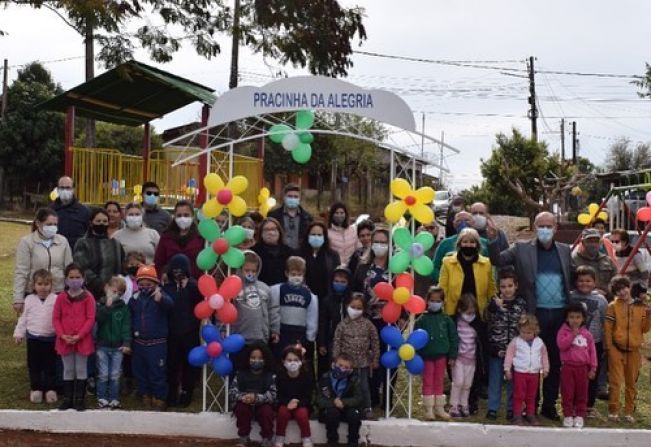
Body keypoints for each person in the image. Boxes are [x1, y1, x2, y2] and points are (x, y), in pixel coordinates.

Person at [487, 211, 573, 421]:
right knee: (530, 362)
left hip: (560, 313)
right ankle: (530, 406)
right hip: (534, 315)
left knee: (553, 362)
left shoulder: (564, 250)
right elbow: (497, 259)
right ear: (534, 228)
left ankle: (549, 405)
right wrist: (493, 238)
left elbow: (573, 274)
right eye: (541, 226)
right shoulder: (521, 248)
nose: (545, 229)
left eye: (549, 226)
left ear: (556, 228)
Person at [352, 227, 390, 409]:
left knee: (388, 357)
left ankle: (388, 398)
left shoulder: (396, 268)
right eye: (377, 242)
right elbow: (356, 292)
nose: (380, 245)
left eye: (384, 242)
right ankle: (372, 395)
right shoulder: (363, 267)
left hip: (390, 320)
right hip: (367, 319)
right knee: (369, 358)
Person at [604, 275, 651, 423]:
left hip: (634, 351)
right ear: (615, 293)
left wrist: (649, 315)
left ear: (629, 287)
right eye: (618, 290)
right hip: (617, 349)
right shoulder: (612, 306)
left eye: (624, 288)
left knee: (631, 383)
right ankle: (613, 411)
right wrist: (610, 348)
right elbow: (608, 329)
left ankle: (629, 411)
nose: (622, 292)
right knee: (615, 381)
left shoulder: (640, 306)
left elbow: (644, 329)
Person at [129, 265, 174, 411]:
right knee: (140, 371)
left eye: (148, 284)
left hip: (157, 343)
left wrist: (160, 299)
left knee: (157, 372)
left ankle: (159, 398)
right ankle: (145, 396)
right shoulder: (134, 298)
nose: (145, 287)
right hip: (139, 342)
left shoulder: (161, 296)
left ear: (155, 284)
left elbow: (170, 306)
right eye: (141, 284)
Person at [52, 263, 96, 411]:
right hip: (65, 340)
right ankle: (68, 399)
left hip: (82, 340)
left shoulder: (88, 297)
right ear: (66, 280)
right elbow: (56, 318)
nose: (74, 280)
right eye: (71, 277)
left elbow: (90, 318)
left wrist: (80, 335)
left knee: (81, 369)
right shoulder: (61, 298)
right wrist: (62, 335)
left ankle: (79, 399)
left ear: (83, 279)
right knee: (68, 369)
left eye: (78, 277)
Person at [13, 208, 72, 315]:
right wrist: (18, 298)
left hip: (57, 292)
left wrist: (71, 292)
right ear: (38, 223)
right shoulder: (26, 242)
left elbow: (69, 268)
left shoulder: (63, 241)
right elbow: (21, 271)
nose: (53, 228)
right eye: (49, 224)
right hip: (34, 292)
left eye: (55, 224)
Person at [485, 268, 526, 420]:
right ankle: (493, 408)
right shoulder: (494, 301)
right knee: (495, 380)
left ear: (516, 286)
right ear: (498, 287)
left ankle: (511, 408)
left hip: (515, 350)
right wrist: (494, 307)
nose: (506, 289)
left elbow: (524, 325)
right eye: (503, 286)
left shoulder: (521, 303)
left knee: (513, 381)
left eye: (510, 286)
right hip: (497, 349)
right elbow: (487, 318)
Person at [332, 293, 380, 420]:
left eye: (359, 308)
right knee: (347, 387)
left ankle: (367, 408)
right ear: (347, 306)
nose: (355, 310)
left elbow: (375, 341)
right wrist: (336, 358)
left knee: (364, 386)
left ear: (364, 309)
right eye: (353, 307)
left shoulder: (368, 324)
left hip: (363, 363)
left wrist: (375, 359)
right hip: (345, 365)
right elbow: (336, 341)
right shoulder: (342, 325)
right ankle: (348, 408)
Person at [163, 254, 203, 407]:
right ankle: (172, 391)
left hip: (190, 332)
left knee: (190, 365)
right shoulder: (167, 287)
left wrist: (188, 287)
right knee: (172, 364)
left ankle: (187, 391)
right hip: (172, 333)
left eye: (181, 270)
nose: (178, 273)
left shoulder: (194, 286)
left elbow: (200, 304)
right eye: (175, 270)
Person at [13, 269, 58, 404]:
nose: (43, 287)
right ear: (34, 286)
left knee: (50, 365)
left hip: (50, 338)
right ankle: (36, 388)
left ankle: (50, 389)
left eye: (46, 284)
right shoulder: (29, 300)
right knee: (34, 365)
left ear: (51, 285)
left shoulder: (56, 299)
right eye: (40, 284)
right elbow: (23, 318)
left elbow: (60, 318)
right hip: (33, 339)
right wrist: (19, 333)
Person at [569, 265, 608, 417]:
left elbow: (605, 322)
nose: (584, 283)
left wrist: (605, 343)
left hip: (594, 343)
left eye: (588, 281)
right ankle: (573, 404)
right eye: (580, 281)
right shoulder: (571, 297)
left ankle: (588, 405)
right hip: (574, 343)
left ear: (594, 282)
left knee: (592, 374)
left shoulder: (601, 300)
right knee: (574, 375)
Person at [415, 285, 457, 421]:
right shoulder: (422, 320)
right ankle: (428, 409)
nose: (435, 303)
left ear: (443, 302)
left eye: (438, 301)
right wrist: (417, 354)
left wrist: (452, 355)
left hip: (441, 356)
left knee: (439, 380)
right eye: (432, 300)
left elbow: (453, 338)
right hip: (426, 356)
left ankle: (439, 408)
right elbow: (415, 338)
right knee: (428, 381)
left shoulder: (447, 319)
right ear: (427, 301)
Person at [439, 227, 496, 317]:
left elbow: (491, 288)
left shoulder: (487, 264)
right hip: (453, 312)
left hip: (479, 312)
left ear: (477, 245)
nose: (468, 245)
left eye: (472, 242)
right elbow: (443, 287)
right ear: (459, 244)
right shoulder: (447, 262)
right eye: (465, 242)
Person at [557, 302, 597, 429]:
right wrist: (572, 334)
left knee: (582, 393)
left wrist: (593, 368)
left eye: (578, 317)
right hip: (568, 367)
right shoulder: (563, 331)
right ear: (567, 318)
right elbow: (561, 345)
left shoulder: (587, 334)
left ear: (583, 319)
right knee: (567, 392)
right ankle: (568, 415)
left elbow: (592, 352)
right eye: (572, 317)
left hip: (583, 368)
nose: (575, 320)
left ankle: (580, 414)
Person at [504, 314, 550, 426]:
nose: (525, 335)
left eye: (528, 333)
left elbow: (544, 355)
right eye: (523, 332)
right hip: (520, 372)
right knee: (519, 395)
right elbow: (509, 355)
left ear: (535, 331)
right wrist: (507, 369)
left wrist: (546, 368)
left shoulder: (539, 342)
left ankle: (530, 414)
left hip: (534, 374)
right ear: (519, 330)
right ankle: (517, 415)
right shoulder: (515, 342)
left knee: (531, 395)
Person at [230, 343, 276, 447]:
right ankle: (244, 437)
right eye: (253, 357)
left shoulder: (270, 375)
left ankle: (267, 438)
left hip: (263, 405)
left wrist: (256, 398)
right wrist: (243, 397)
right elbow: (232, 392)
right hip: (245, 403)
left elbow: (273, 395)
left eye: (260, 358)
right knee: (241, 408)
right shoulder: (240, 374)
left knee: (266, 411)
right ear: (247, 358)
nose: (256, 360)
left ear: (265, 359)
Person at [73, 208, 125, 300]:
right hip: (89, 293)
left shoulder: (115, 244)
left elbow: (122, 265)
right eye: (98, 221)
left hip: (114, 293)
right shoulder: (83, 243)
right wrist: (101, 285)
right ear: (91, 223)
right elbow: (81, 267)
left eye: (105, 221)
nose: (102, 223)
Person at [95, 276, 131, 410]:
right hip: (102, 346)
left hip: (118, 347)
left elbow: (126, 327)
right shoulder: (100, 304)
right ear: (106, 288)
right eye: (113, 291)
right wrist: (107, 307)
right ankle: (102, 398)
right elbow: (98, 319)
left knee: (115, 374)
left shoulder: (124, 308)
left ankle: (114, 398)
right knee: (103, 373)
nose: (115, 294)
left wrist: (127, 343)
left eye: (119, 293)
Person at [270, 257, 318, 356]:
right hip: (282, 332)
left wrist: (310, 337)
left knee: (296, 358)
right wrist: (274, 331)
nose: (296, 277)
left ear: (304, 275)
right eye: (293, 274)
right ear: (286, 273)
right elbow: (273, 311)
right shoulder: (277, 290)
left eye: (299, 275)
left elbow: (312, 317)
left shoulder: (309, 295)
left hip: (299, 334)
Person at [232, 251, 280, 350]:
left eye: (253, 271)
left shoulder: (265, 288)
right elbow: (224, 310)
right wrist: (223, 328)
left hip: (260, 338)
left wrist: (275, 330)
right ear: (240, 270)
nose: (250, 274)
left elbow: (273, 310)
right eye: (247, 270)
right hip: (238, 338)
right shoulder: (233, 288)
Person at [317, 353, 363, 447]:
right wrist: (334, 402)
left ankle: (353, 442)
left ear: (351, 370)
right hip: (331, 408)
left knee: (354, 414)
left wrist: (344, 402)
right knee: (332, 413)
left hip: (347, 408)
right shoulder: (325, 378)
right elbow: (319, 399)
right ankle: (332, 441)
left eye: (346, 367)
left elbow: (358, 398)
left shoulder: (354, 379)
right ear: (333, 364)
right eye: (340, 365)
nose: (342, 369)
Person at [449, 294, 482, 418]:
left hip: (471, 359)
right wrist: (452, 356)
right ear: (460, 310)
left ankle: (464, 404)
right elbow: (453, 340)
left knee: (467, 384)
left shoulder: (476, 323)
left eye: (473, 311)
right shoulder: (456, 322)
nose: (470, 315)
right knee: (458, 382)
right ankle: (454, 406)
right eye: (468, 312)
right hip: (459, 358)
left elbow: (478, 342)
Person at [274, 345, 314, 447]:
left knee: (302, 414)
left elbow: (308, 396)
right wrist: (288, 403)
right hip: (285, 404)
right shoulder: (280, 376)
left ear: (301, 361)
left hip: (301, 404)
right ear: (283, 361)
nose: (292, 363)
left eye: (296, 360)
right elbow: (278, 395)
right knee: (282, 412)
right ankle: (279, 438)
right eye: (289, 360)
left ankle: (306, 439)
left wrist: (298, 403)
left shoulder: (307, 376)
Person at [432, 211, 489, 283]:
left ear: (473, 223)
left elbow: (492, 267)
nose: (463, 223)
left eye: (466, 220)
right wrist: (445, 280)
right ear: (454, 224)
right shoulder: (445, 243)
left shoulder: (485, 243)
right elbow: (435, 268)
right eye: (459, 221)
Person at [318, 266, 353, 379]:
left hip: (350, 340)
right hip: (332, 340)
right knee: (333, 367)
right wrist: (322, 343)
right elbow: (322, 323)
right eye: (336, 281)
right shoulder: (327, 301)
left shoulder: (352, 300)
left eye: (343, 282)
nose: (339, 284)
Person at [154, 200, 203, 279]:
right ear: (174, 216)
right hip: (170, 284)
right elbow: (159, 262)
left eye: (186, 215)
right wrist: (163, 275)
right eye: (179, 215)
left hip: (194, 284)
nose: (182, 218)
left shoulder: (200, 237)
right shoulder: (166, 237)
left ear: (192, 216)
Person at [301, 221, 341, 316]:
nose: (316, 237)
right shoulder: (299, 254)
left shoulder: (332, 255)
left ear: (324, 236)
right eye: (313, 234)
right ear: (307, 236)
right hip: (303, 299)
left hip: (325, 299)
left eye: (319, 235)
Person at [571, 229, 617, 297]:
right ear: (583, 242)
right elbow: (569, 284)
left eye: (596, 241)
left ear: (600, 243)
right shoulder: (573, 260)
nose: (593, 244)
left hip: (606, 300)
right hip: (582, 301)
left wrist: (606, 291)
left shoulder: (607, 260)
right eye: (590, 241)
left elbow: (616, 281)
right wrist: (590, 291)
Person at [268, 183, 313, 251]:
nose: (293, 198)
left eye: (295, 197)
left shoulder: (307, 217)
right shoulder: (273, 215)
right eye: (290, 196)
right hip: (279, 255)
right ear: (284, 197)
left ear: (299, 199)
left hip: (300, 255)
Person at [253, 217, 295, 287]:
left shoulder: (290, 252)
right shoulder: (254, 252)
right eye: (266, 229)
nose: (270, 232)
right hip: (261, 291)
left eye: (273, 229)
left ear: (279, 231)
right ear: (261, 233)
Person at [52, 176, 90, 250]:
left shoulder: (84, 211)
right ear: (57, 189)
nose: (65, 190)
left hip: (78, 254)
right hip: (56, 254)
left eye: (68, 188)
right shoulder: (50, 211)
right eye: (62, 188)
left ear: (73, 189)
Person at [414, 221, 441, 298]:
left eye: (432, 228)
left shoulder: (441, 245)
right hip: (418, 289)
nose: (429, 231)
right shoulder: (415, 246)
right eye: (426, 228)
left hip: (436, 292)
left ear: (438, 229)